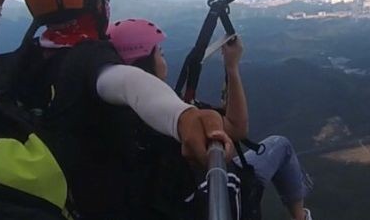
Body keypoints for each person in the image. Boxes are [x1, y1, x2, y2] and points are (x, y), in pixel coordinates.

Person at [0, 0, 233, 220]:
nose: (106, 2)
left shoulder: (28, 58)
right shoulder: (88, 61)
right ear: (92, 2)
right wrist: (183, 116)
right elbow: (129, 83)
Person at [107, 18, 315, 220]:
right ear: (146, 65)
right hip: (217, 190)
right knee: (281, 146)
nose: (164, 58)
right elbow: (237, 128)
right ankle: (300, 217)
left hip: (181, 197)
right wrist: (232, 67)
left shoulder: (114, 123)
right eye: (159, 54)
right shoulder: (174, 115)